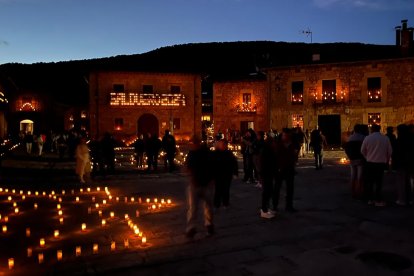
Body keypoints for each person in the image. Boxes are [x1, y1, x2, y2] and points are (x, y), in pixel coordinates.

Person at [185, 135, 215, 238]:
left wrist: (212, 179)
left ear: (197, 143)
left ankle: (209, 225)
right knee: (193, 208)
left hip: (205, 183)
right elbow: (188, 166)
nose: (191, 146)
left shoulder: (206, 153)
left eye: (192, 143)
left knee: (208, 207)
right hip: (195, 183)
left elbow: (212, 166)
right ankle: (191, 228)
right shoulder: (191, 154)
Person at [361, 124, 392, 206]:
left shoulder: (367, 138)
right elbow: (390, 151)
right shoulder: (385, 138)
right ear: (380, 129)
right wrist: (387, 161)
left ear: (371, 129)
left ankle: (370, 199)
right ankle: (378, 199)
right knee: (379, 182)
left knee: (370, 181)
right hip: (381, 163)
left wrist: (367, 157)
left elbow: (362, 150)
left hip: (370, 162)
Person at [273, 129, 298, 213]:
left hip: (289, 169)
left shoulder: (293, 144)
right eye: (284, 135)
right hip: (279, 169)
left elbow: (294, 156)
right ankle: (274, 205)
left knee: (290, 189)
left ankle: (289, 206)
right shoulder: (278, 145)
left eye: (286, 135)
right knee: (277, 188)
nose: (285, 137)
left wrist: (294, 163)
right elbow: (275, 157)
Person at [213, 139, 238, 209]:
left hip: (227, 174)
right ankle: (216, 203)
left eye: (224, 145)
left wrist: (235, 173)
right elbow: (211, 164)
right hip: (218, 174)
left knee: (226, 189)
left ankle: (225, 203)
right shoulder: (215, 153)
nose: (223, 146)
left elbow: (234, 163)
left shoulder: (229, 153)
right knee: (218, 189)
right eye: (222, 144)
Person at [344, 124, 366, 199]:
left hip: (352, 159)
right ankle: (359, 192)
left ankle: (353, 192)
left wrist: (349, 156)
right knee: (360, 177)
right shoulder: (363, 137)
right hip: (360, 158)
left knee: (353, 176)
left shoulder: (350, 138)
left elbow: (346, 148)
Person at [393, 124, 412, 206]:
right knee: (408, 182)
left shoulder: (398, 140)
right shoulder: (411, 139)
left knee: (401, 182)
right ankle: (409, 199)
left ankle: (402, 199)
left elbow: (395, 153)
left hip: (400, 163)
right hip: (409, 163)